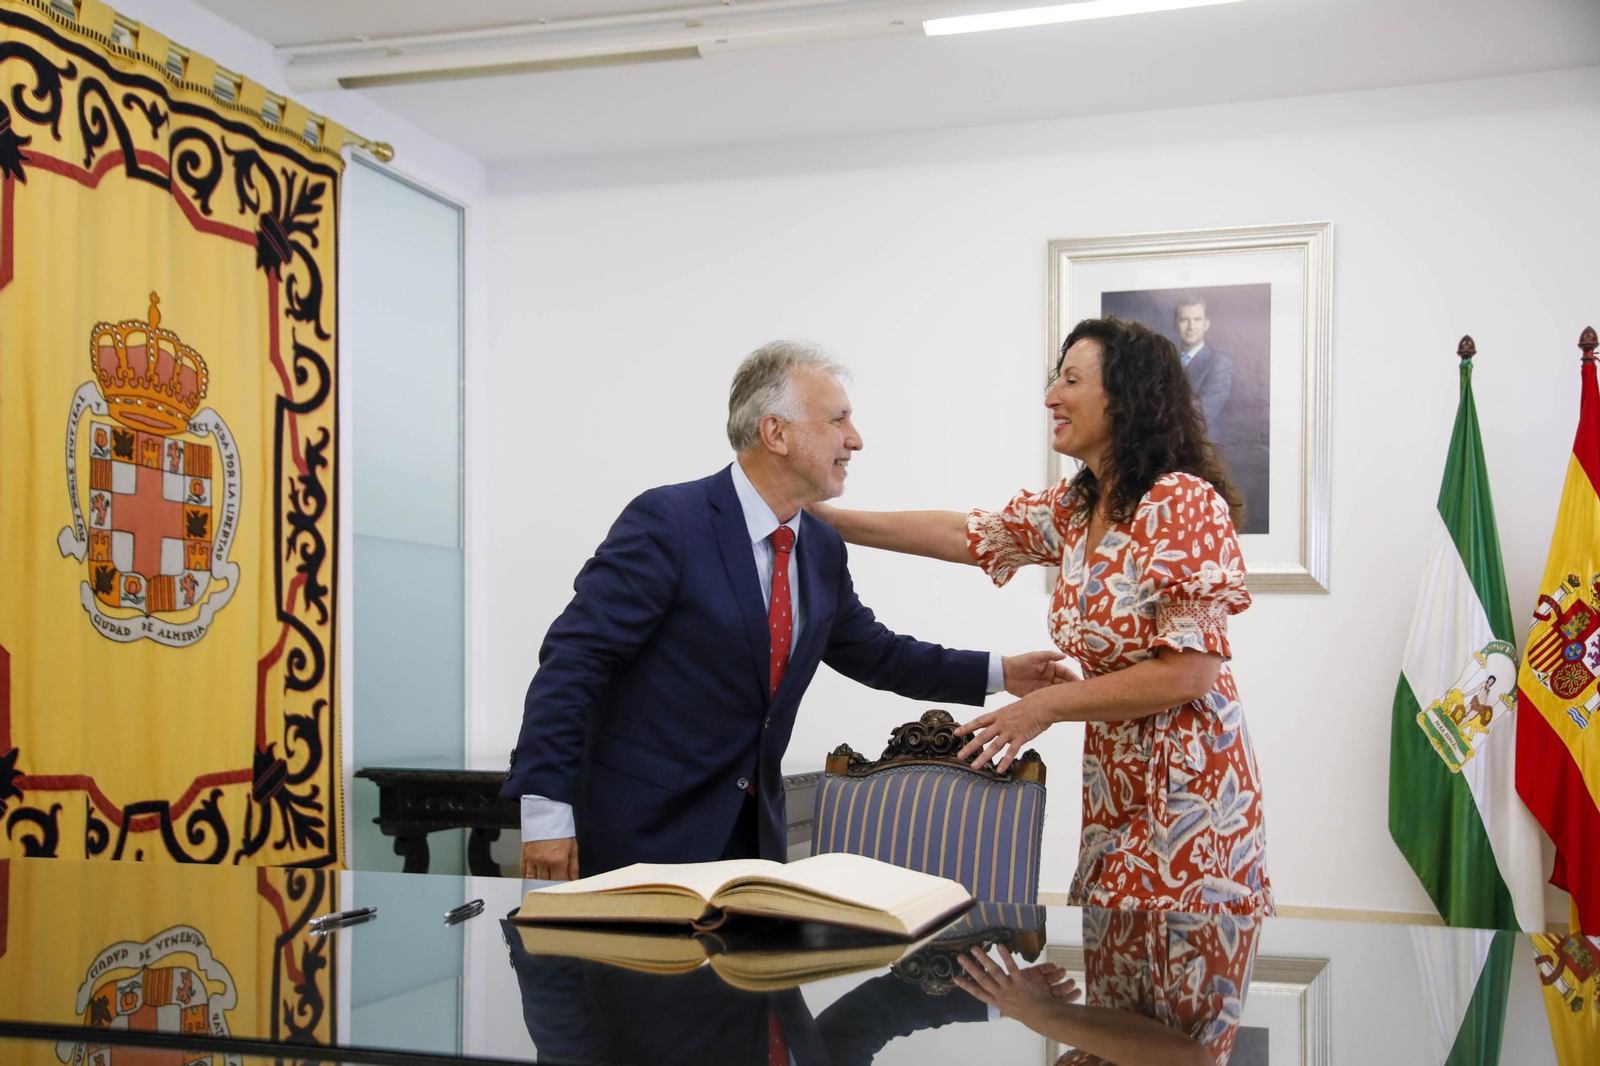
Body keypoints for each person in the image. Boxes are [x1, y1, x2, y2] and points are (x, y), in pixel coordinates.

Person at [502, 340, 1070, 879]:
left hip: (752, 848)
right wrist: (546, 815)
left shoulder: (818, 545)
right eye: (838, 421)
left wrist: (1002, 672)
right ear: (775, 432)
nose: (857, 440)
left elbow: (876, 653)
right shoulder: (669, 522)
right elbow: (573, 663)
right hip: (640, 838)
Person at [809, 317, 1272, 914]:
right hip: (1114, 777)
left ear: (1128, 398)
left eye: (1072, 380)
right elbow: (964, 532)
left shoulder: (1181, 502)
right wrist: (827, 519)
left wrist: (1042, 706)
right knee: (1114, 963)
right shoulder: (1080, 507)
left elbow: (1188, 675)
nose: (1052, 395)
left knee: (1168, 973)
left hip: (1190, 786)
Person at [1175, 294, 1233, 436]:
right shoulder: (1165, 361)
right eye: (1184, 320)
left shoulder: (1219, 365)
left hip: (1198, 451)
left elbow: (1199, 418)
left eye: (1197, 319)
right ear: (1175, 323)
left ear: (1206, 325)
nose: (1191, 326)